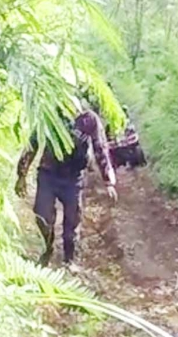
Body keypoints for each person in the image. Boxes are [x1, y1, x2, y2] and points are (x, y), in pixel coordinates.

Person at [16, 103, 118, 267]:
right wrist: (21, 174)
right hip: (48, 173)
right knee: (42, 215)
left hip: (73, 178)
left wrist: (109, 182)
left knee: (72, 221)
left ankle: (69, 259)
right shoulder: (51, 114)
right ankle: (47, 248)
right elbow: (33, 143)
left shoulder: (89, 120)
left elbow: (101, 148)